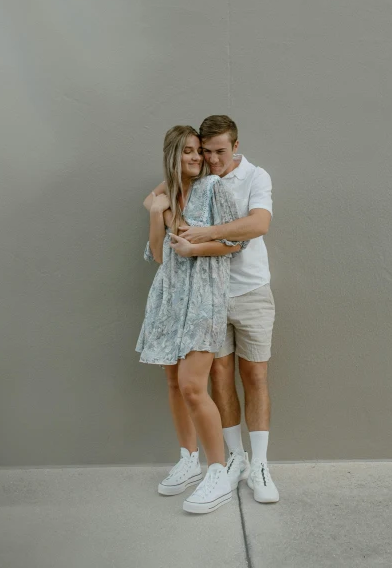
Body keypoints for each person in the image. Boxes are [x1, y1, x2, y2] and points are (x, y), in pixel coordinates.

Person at [148, 115, 279, 503]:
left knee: (254, 374)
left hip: (249, 289)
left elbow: (258, 225)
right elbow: (157, 199)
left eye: (218, 151)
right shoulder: (195, 178)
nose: (211, 158)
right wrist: (164, 213)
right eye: (205, 151)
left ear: (235, 146)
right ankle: (231, 458)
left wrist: (199, 236)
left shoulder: (254, 177)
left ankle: (258, 464)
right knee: (218, 376)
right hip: (206, 297)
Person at [137, 125, 247, 514]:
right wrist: (156, 213)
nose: (197, 158)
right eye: (187, 152)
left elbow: (236, 242)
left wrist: (193, 250)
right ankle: (188, 459)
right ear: (172, 154)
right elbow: (156, 255)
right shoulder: (166, 195)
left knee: (192, 387)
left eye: (199, 151)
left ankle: (218, 472)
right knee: (172, 381)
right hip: (168, 299)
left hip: (202, 299)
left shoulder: (213, 189)